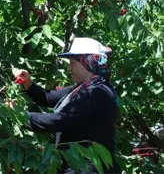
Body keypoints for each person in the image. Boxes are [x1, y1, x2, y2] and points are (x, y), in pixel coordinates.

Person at [13, 37, 121, 174]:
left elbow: (59, 121)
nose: (69, 68)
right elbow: (46, 97)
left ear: (89, 62)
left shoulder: (97, 92)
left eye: (73, 63)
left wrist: (18, 115)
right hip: (76, 165)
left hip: (89, 168)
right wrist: (27, 82)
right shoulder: (81, 89)